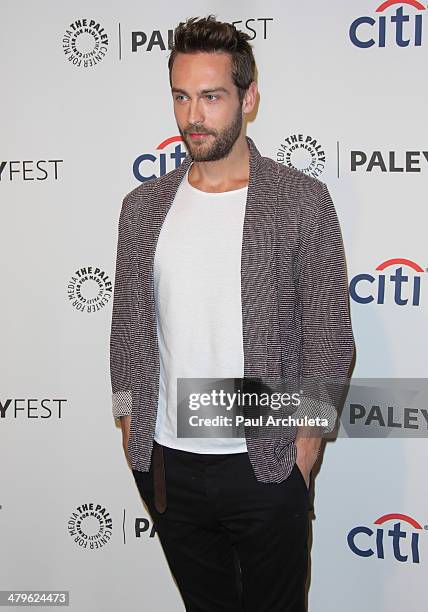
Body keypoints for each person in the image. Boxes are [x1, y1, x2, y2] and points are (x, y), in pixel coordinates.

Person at [110, 15, 355, 612]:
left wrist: (306, 447)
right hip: (167, 464)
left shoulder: (299, 200)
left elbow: (330, 337)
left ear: (248, 98)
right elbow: (124, 325)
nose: (194, 116)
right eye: (182, 97)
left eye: (212, 97)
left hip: (266, 466)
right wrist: (128, 421)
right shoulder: (143, 208)